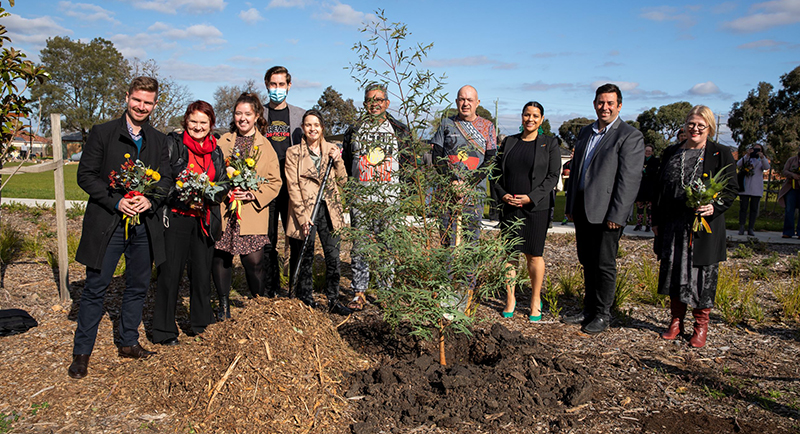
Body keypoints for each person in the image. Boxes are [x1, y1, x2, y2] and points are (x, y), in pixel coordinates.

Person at [68, 77, 172, 379]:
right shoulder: (103, 133)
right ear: (127, 97)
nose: (141, 107)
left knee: (138, 285)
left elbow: (165, 180)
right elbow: (85, 176)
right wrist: (117, 202)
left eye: (148, 102)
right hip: (108, 224)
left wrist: (148, 201)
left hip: (143, 226)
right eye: (137, 100)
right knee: (95, 288)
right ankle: (82, 352)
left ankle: (128, 342)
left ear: (154, 104)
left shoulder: (158, 139)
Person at [652, 105, 737, 348]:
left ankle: (701, 326)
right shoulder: (671, 152)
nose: (695, 129)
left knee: (702, 277)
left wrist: (714, 207)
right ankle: (676, 322)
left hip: (702, 229)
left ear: (710, 127)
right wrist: (656, 221)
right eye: (691, 124)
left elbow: (731, 189)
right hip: (673, 227)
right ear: (685, 125)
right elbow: (660, 190)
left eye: (701, 125)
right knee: (674, 272)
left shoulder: (720, 153)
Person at [563, 83, 644, 334]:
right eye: (600, 102)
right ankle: (588, 309)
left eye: (610, 103)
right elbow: (576, 171)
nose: (604, 107)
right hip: (583, 210)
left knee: (604, 264)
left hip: (607, 214)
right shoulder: (586, 132)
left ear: (619, 106)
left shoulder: (629, 136)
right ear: (594, 104)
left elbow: (629, 180)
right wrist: (570, 205)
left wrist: (617, 215)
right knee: (587, 261)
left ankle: (602, 314)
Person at [151, 101, 228, 346]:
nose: (197, 127)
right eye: (193, 121)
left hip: (204, 217)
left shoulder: (216, 149)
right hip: (177, 216)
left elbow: (224, 182)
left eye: (203, 123)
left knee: (201, 272)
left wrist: (209, 195)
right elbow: (164, 177)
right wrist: (184, 194)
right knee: (170, 273)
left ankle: (200, 323)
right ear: (186, 121)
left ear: (210, 124)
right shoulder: (173, 143)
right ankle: (164, 330)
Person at [342, 83, 410, 311]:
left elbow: (409, 165)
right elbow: (345, 162)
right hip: (361, 199)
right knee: (360, 246)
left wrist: (405, 197)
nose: (375, 104)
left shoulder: (399, 130)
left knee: (387, 247)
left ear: (387, 103)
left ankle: (386, 292)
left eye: (379, 99)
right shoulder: (354, 130)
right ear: (364, 104)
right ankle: (358, 292)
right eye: (370, 100)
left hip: (388, 201)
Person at [213, 93, 282, 317]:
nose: (242, 118)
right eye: (238, 113)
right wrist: (226, 189)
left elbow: (275, 182)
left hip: (251, 212)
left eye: (247, 114)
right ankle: (224, 306)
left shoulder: (266, 146)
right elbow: (212, 173)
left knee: (254, 262)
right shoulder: (223, 142)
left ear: (256, 116)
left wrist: (253, 194)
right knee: (222, 258)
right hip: (225, 211)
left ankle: (258, 307)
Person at [493, 101, 560, 321]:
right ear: (521, 117)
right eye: (526, 115)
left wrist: (532, 197)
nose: (530, 119)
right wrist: (502, 194)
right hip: (510, 207)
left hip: (536, 209)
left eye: (535, 115)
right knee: (510, 255)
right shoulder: (509, 142)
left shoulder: (549, 144)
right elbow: (495, 173)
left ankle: (534, 299)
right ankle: (510, 299)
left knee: (534, 255)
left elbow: (552, 176)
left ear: (542, 119)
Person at [285, 109, 351, 315]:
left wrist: (338, 159)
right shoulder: (293, 153)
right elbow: (293, 187)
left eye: (316, 125)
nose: (312, 128)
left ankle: (333, 298)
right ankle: (305, 298)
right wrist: (302, 216)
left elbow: (343, 181)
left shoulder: (332, 149)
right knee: (306, 254)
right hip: (305, 210)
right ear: (303, 128)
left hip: (329, 210)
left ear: (322, 127)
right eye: (308, 125)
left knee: (333, 255)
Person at [431, 85, 497, 246]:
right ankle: (448, 272)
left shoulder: (488, 127)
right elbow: (436, 156)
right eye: (462, 99)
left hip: (474, 194)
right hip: (447, 192)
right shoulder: (446, 124)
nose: (465, 103)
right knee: (447, 242)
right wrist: (452, 180)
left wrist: (468, 183)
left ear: (477, 102)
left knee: (470, 242)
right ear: (456, 101)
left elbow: (490, 160)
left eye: (469, 100)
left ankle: (469, 273)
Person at [262, 66, 306, 298]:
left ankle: (296, 288)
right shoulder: (257, 114)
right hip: (267, 184)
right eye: (273, 84)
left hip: (291, 185)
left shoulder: (300, 115)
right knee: (268, 237)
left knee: (296, 235)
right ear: (266, 85)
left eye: (281, 84)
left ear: (289, 86)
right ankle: (270, 287)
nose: (277, 89)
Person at [736, 144, 770, 236]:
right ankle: (741, 227)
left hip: (756, 188)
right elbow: (738, 164)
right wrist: (747, 155)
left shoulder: (761, 160)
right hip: (745, 187)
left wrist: (762, 157)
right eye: (754, 149)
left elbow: (767, 167)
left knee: (754, 209)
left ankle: (751, 228)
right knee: (743, 208)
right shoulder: (747, 159)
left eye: (758, 149)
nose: (756, 151)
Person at [633, 145, 660, 232]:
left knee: (649, 209)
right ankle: (638, 224)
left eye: (649, 151)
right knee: (639, 208)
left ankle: (648, 225)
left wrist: (646, 170)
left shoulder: (655, 161)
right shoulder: (640, 160)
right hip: (641, 187)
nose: (647, 152)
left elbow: (655, 171)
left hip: (650, 188)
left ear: (652, 152)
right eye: (646, 151)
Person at [778, 148, 800, 238]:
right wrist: (792, 175)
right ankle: (788, 232)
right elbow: (785, 171)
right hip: (791, 188)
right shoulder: (791, 160)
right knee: (789, 210)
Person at [560, 150, 573, 225]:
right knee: (567, 201)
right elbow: (562, 171)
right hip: (568, 186)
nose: (571, 155)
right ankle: (566, 217)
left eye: (573, 153)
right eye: (571, 153)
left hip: (576, 186)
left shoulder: (579, 162)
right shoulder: (567, 163)